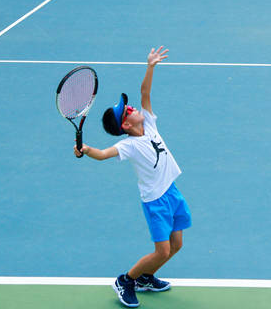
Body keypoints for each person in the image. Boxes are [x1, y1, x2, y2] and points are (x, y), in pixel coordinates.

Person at [75, 46, 190, 308]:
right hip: (155, 202)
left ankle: (146, 277)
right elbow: (103, 154)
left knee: (177, 244)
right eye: (127, 111)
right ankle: (126, 280)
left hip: (171, 192)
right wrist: (85, 150)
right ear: (126, 126)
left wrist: (150, 66)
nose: (132, 108)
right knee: (162, 250)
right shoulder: (128, 145)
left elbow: (145, 92)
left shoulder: (148, 122)